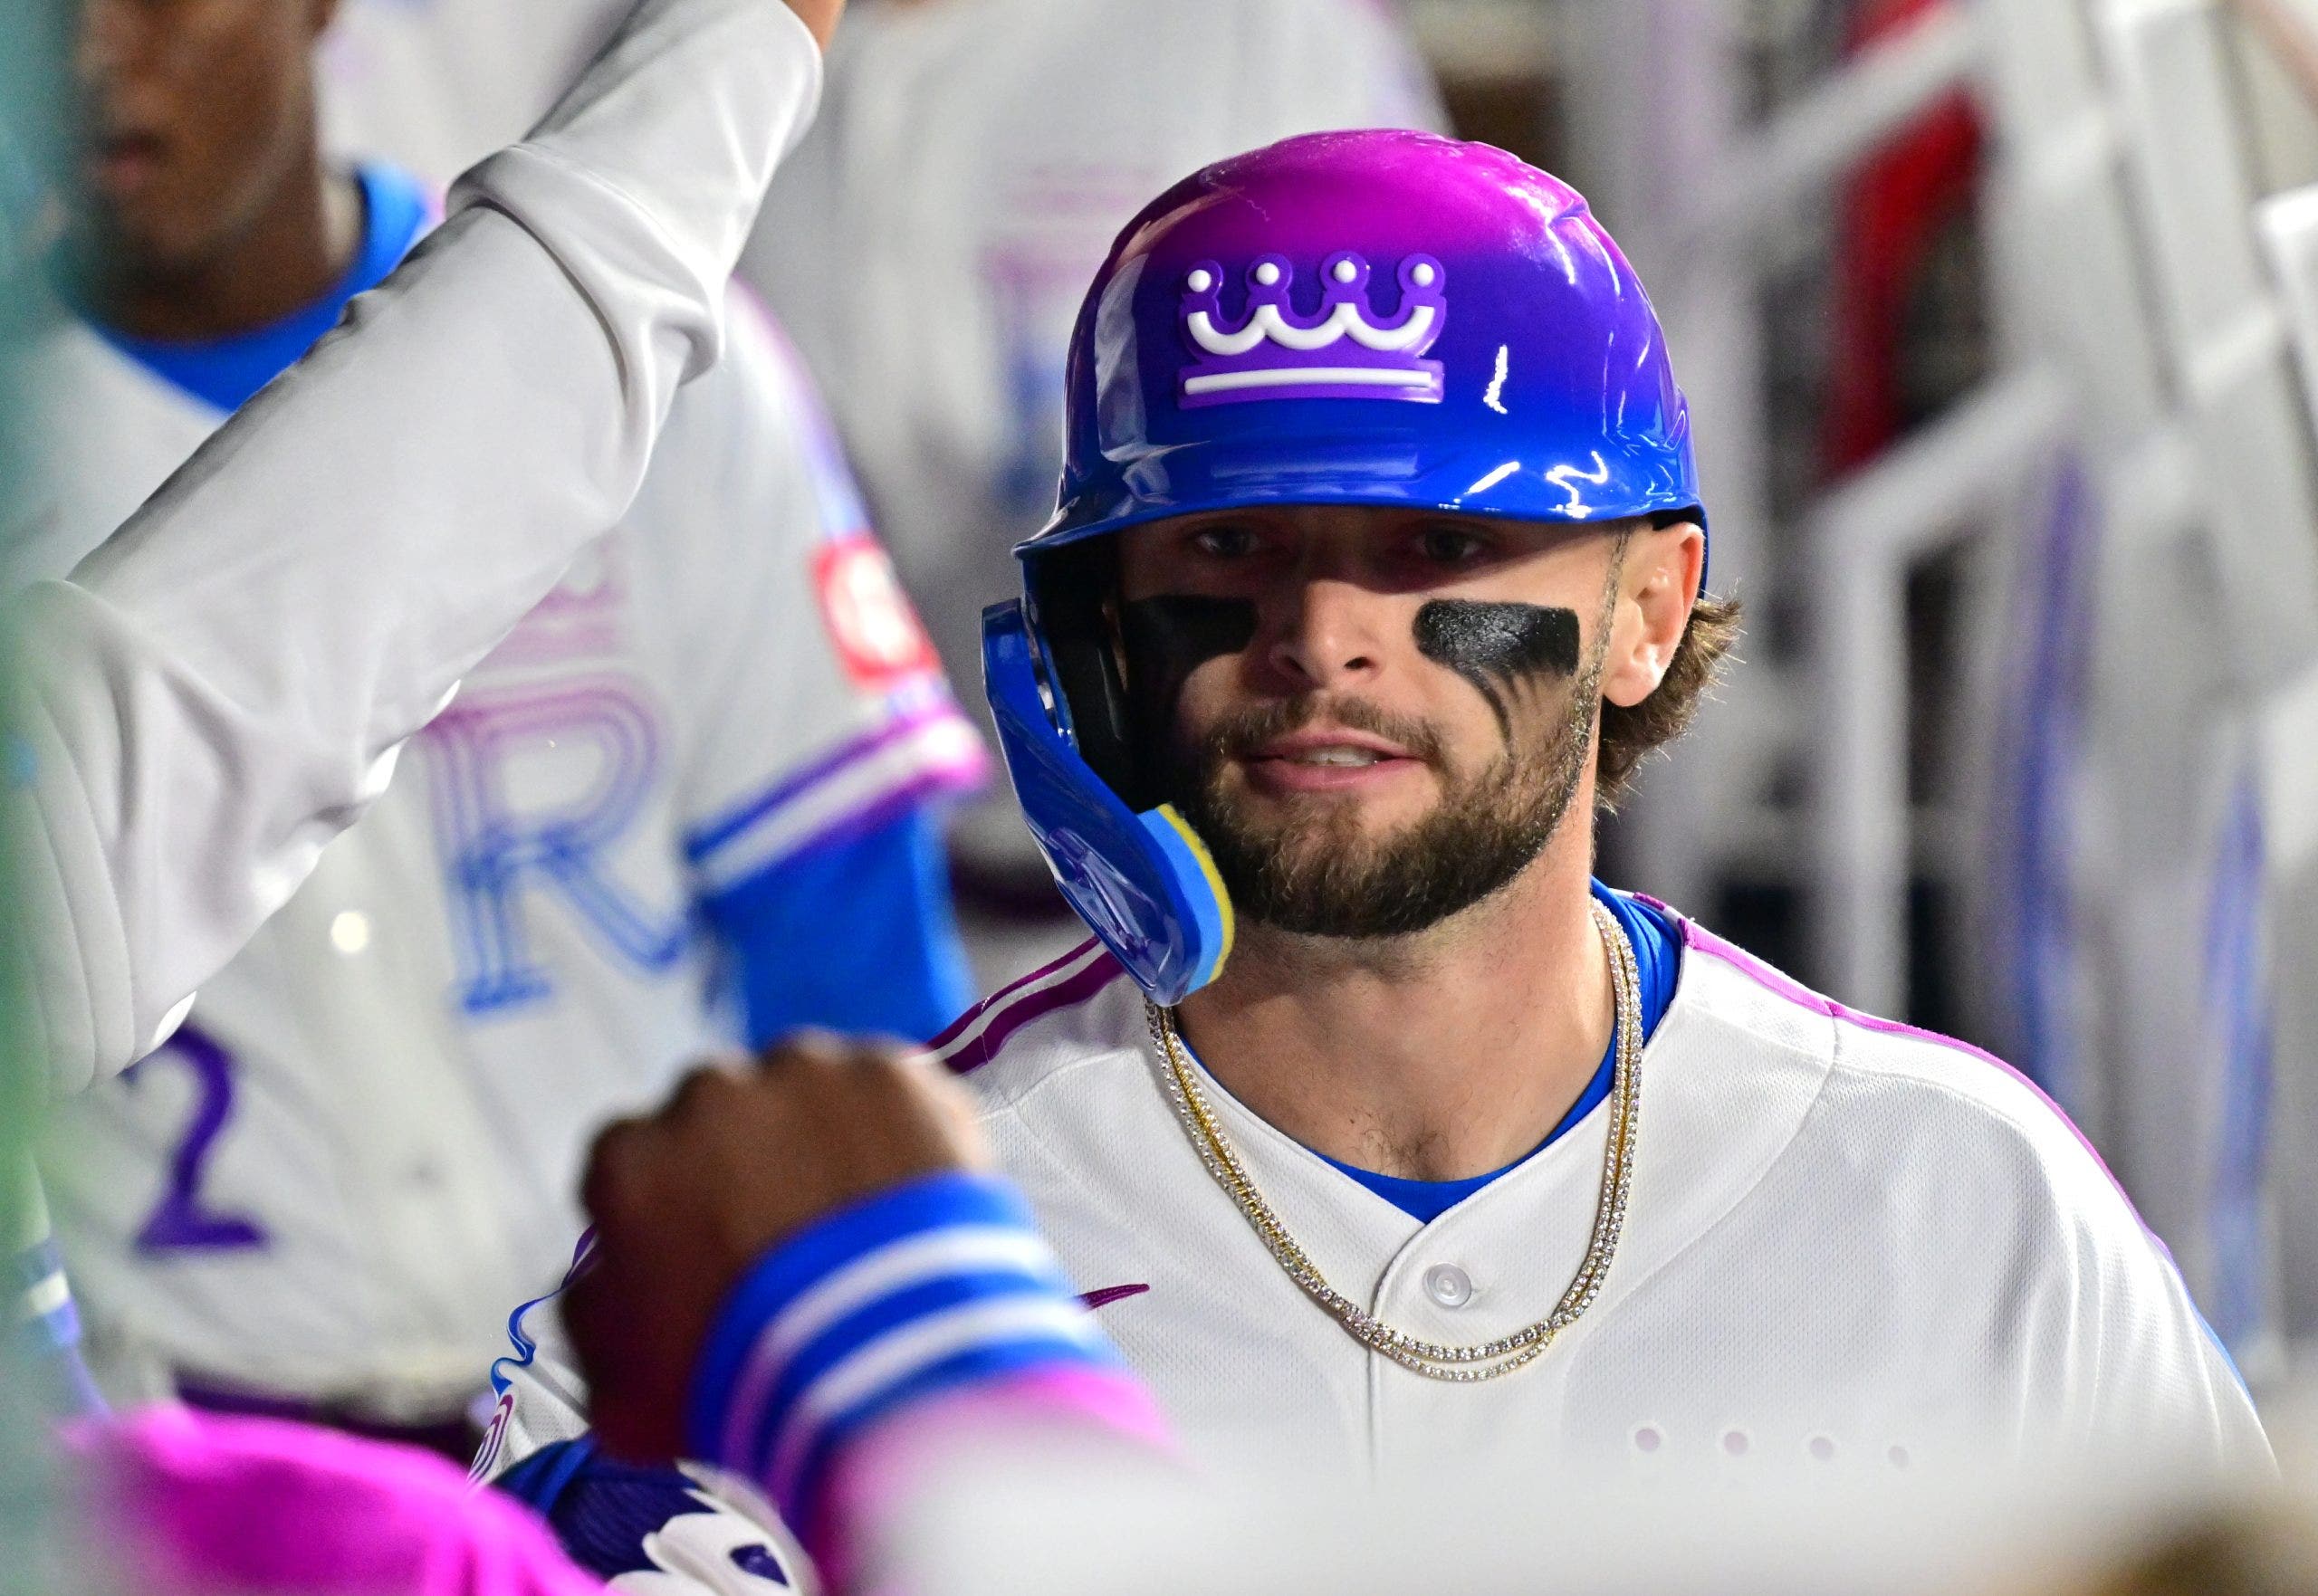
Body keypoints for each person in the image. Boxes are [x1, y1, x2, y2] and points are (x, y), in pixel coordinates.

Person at [486, 127, 2269, 1581]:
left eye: (1435, 544)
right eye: (1228, 544)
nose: (1322, 633)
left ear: (1646, 609)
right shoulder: (838, 1255)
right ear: (1099, 625)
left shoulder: (1963, 1202)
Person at [12, 0, 983, 1458]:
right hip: (216, 1443)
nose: (91, 53)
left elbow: (849, 946)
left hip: (645, 1406)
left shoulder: (690, 372)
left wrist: (888, 1360)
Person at [740, 0, 1448, 983]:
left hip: (1223, 919)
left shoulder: (1267, 37)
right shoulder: (683, 51)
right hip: (786, 912)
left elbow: (1419, 472)